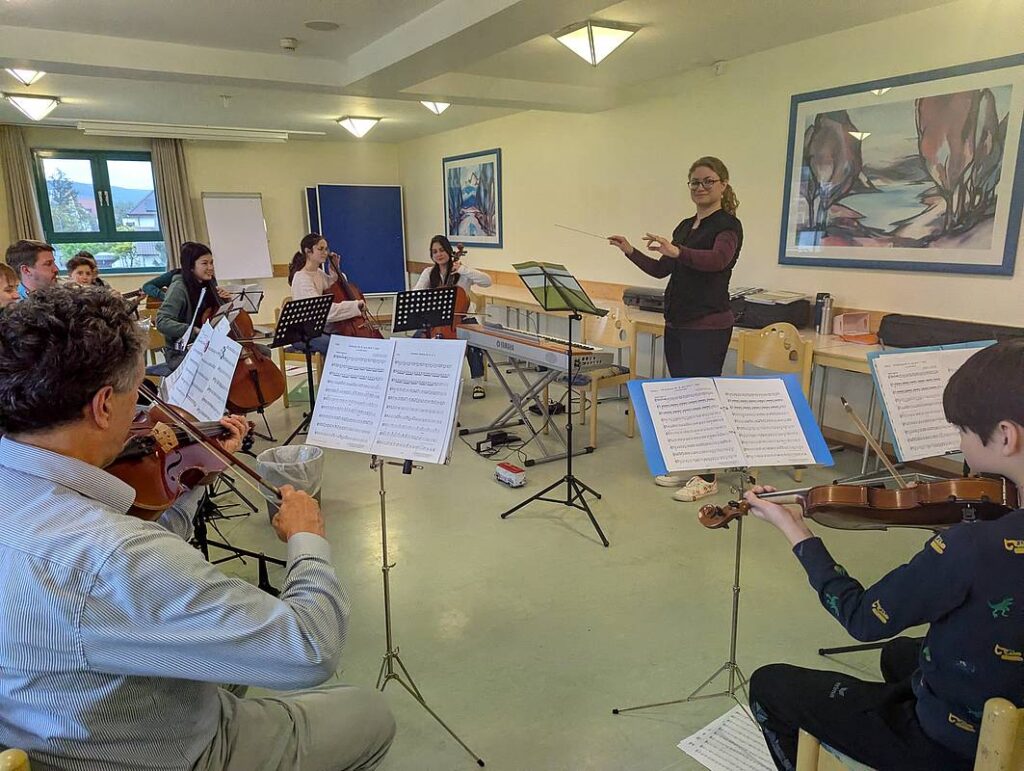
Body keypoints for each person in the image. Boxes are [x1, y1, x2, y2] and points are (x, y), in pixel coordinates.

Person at [0, 287, 395, 771]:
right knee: (370, 713)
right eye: (137, 393)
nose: (142, 418)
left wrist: (194, 476)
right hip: (152, 749)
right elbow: (309, 649)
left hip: (44, 723)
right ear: (103, 406)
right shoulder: (116, 555)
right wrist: (306, 539)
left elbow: (134, 573)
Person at [744, 339, 1024, 771]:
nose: (961, 445)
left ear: (1006, 436)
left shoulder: (970, 547)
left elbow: (862, 618)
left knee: (770, 685)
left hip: (958, 746)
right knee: (898, 656)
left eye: (962, 432)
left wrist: (793, 528)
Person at [609, 156, 742, 502]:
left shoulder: (728, 225)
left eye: (708, 181)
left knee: (703, 400)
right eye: (694, 182)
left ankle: (708, 475)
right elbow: (660, 270)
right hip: (679, 322)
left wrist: (678, 250)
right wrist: (630, 251)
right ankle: (691, 463)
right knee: (684, 398)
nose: (700, 188)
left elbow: (718, 261)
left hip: (708, 324)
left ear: (723, 185)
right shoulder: (686, 226)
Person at [412, 235, 493, 399]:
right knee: (417, 338)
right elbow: (415, 293)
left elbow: (487, 281)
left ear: (449, 251)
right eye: (434, 252)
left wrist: (463, 270)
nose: (439, 254)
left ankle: (478, 383)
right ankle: (425, 380)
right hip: (438, 319)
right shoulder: (429, 273)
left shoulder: (463, 272)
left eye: (441, 250)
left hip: (462, 318)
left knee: (473, 340)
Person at [287, 233, 365, 356]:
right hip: (303, 333)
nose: (325, 252)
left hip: (318, 329)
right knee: (338, 346)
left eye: (326, 248)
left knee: (350, 341)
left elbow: (335, 287)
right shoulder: (302, 278)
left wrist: (335, 270)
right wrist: (355, 306)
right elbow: (323, 311)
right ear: (308, 251)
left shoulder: (318, 272)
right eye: (320, 249)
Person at [155, 242, 226, 370]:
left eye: (211, 263)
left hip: (207, 346)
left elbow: (217, 316)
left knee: (262, 351)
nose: (210, 267)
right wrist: (193, 331)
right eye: (205, 263)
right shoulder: (179, 288)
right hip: (180, 352)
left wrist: (226, 301)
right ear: (191, 266)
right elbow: (162, 321)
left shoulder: (208, 283)